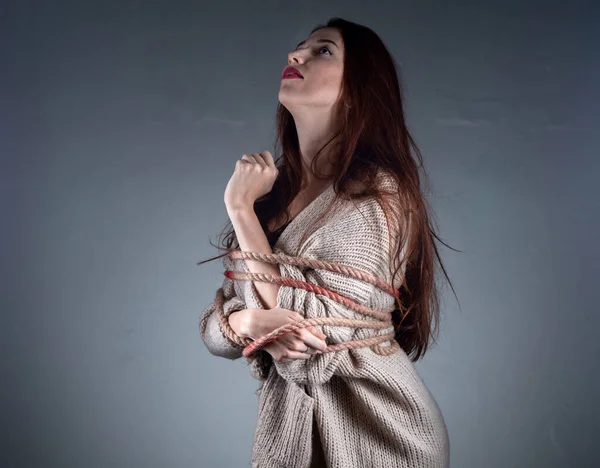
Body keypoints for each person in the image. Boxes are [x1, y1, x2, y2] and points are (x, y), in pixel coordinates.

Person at [199, 17, 456, 468]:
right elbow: (214, 327)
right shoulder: (275, 199)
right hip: (295, 438)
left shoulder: (380, 196)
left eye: (323, 51)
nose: (295, 56)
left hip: (381, 440)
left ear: (359, 90)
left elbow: (309, 347)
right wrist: (248, 325)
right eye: (299, 47)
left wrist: (240, 209)